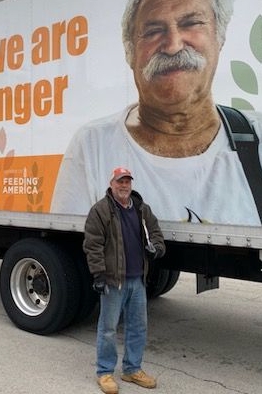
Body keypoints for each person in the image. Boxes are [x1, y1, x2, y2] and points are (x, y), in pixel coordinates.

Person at [51, 0, 262, 230]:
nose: (173, 45)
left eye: (191, 23)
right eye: (154, 30)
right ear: (130, 50)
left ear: (220, 36)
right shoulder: (92, 146)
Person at [84, 167, 165, 394]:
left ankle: (132, 369)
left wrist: (156, 249)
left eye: (127, 181)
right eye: (120, 181)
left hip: (138, 280)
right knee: (108, 328)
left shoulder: (141, 209)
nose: (124, 186)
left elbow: (157, 233)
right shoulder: (101, 210)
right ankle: (105, 372)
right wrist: (98, 275)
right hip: (113, 281)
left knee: (138, 327)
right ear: (112, 184)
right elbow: (93, 245)